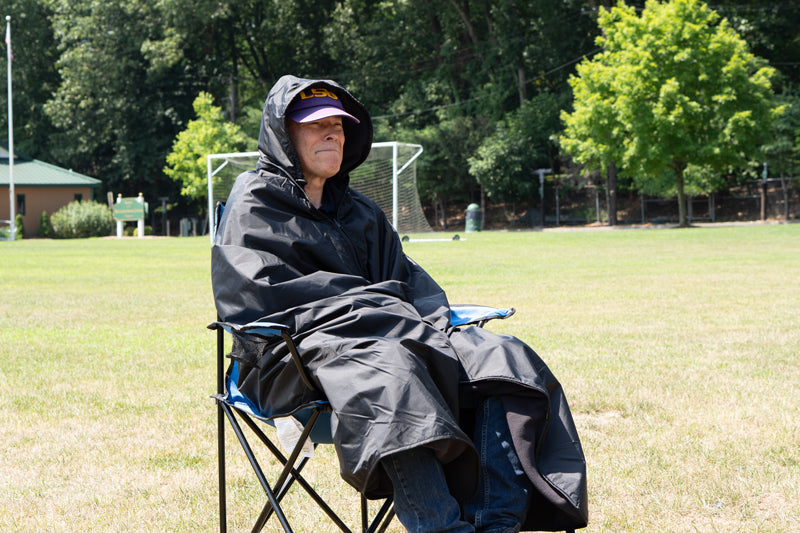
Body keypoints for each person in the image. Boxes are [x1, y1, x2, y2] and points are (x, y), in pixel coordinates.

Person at [212, 75, 588, 533]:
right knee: (388, 369)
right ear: (283, 135)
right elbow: (257, 295)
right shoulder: (254, 202)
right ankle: (441, 527)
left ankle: (498, 521)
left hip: (390, 337)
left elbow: (409, 284)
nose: (332, 132)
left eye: (338, 124)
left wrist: (430, 325)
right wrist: (373, 309)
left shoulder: (360, 211)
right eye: (315, 124)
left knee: (502, 356)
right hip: (288, 360)